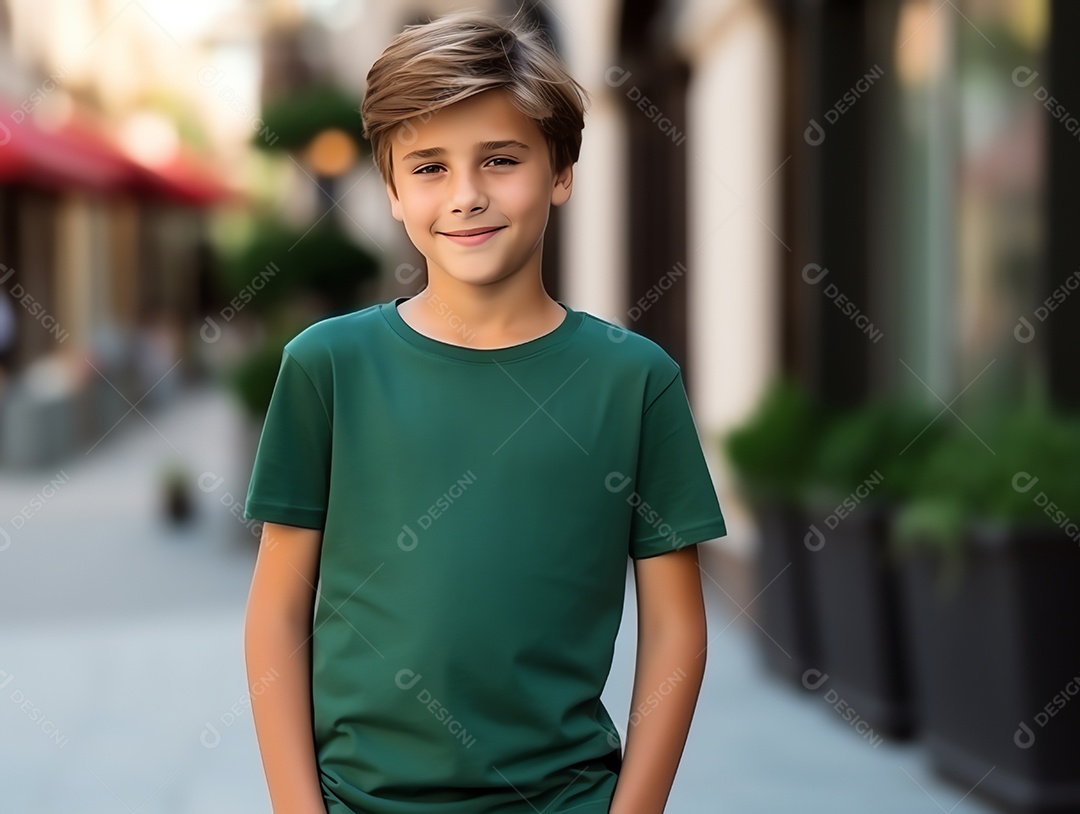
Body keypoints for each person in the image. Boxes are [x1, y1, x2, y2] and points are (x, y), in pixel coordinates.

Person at [242, 9, 727, 814]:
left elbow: (677, 629)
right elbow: (276, 612)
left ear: (560, 172)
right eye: (429, 168)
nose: (466, 196)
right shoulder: (327, 366)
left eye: (500, 160)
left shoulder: (635, 381)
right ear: (393, 191)